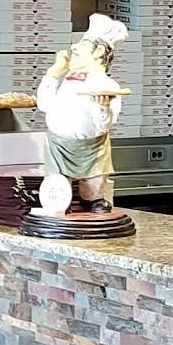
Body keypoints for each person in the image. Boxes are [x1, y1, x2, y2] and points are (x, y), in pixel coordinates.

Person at [36, 14, 129, 213]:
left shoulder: (108, 86)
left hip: (92, 148)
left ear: (99, 52)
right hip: (58, 145)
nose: (74, 48)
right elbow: (44, 105)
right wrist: (52, 75)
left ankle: (93, 201)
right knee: (57, 184)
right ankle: (60, 204)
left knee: (93, 183)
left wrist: (102, 107)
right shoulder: (67, 80)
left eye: (82, 45)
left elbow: (105, 124)